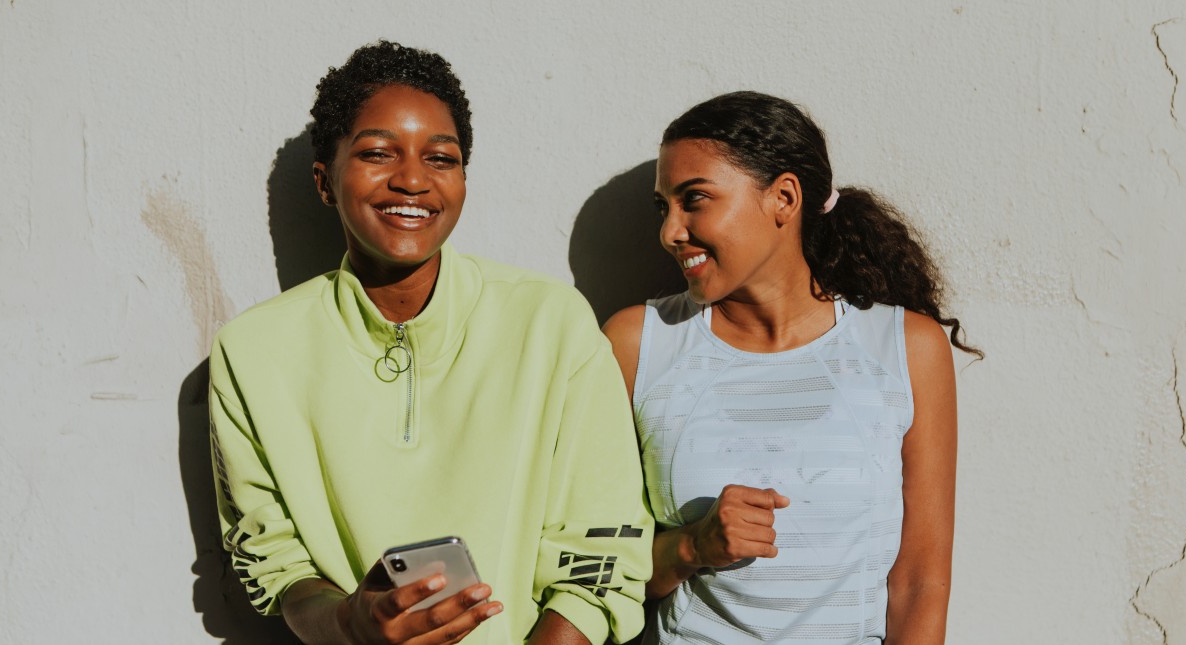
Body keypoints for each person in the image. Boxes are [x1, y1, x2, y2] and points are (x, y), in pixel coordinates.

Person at [209, 41, 652, 645]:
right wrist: (350, 622)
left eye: (440, 158)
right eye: (376, 153)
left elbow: (602, 555)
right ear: (324, 182)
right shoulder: (253, 350)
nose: (413, 179)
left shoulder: (551, 323)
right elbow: (276, 564)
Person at [603, 91, 980, 644]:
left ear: (784, 197)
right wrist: (692, 546)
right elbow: (599, 563)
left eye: (695, 199)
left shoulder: (905, 347)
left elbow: (921, 584)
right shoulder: (639, 344)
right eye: (664, 206)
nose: (670, 232)